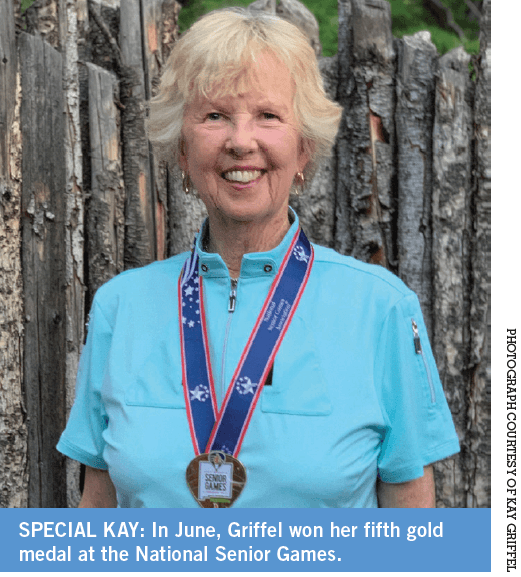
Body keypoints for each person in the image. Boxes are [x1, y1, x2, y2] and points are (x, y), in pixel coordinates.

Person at [57, 8, 459, 508]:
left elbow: (410, 531)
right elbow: (98, 512)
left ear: (303, 148)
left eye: (268, 116)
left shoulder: (380, 309)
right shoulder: (122, 307)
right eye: (214, 116)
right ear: (183, 150)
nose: (240, 141)